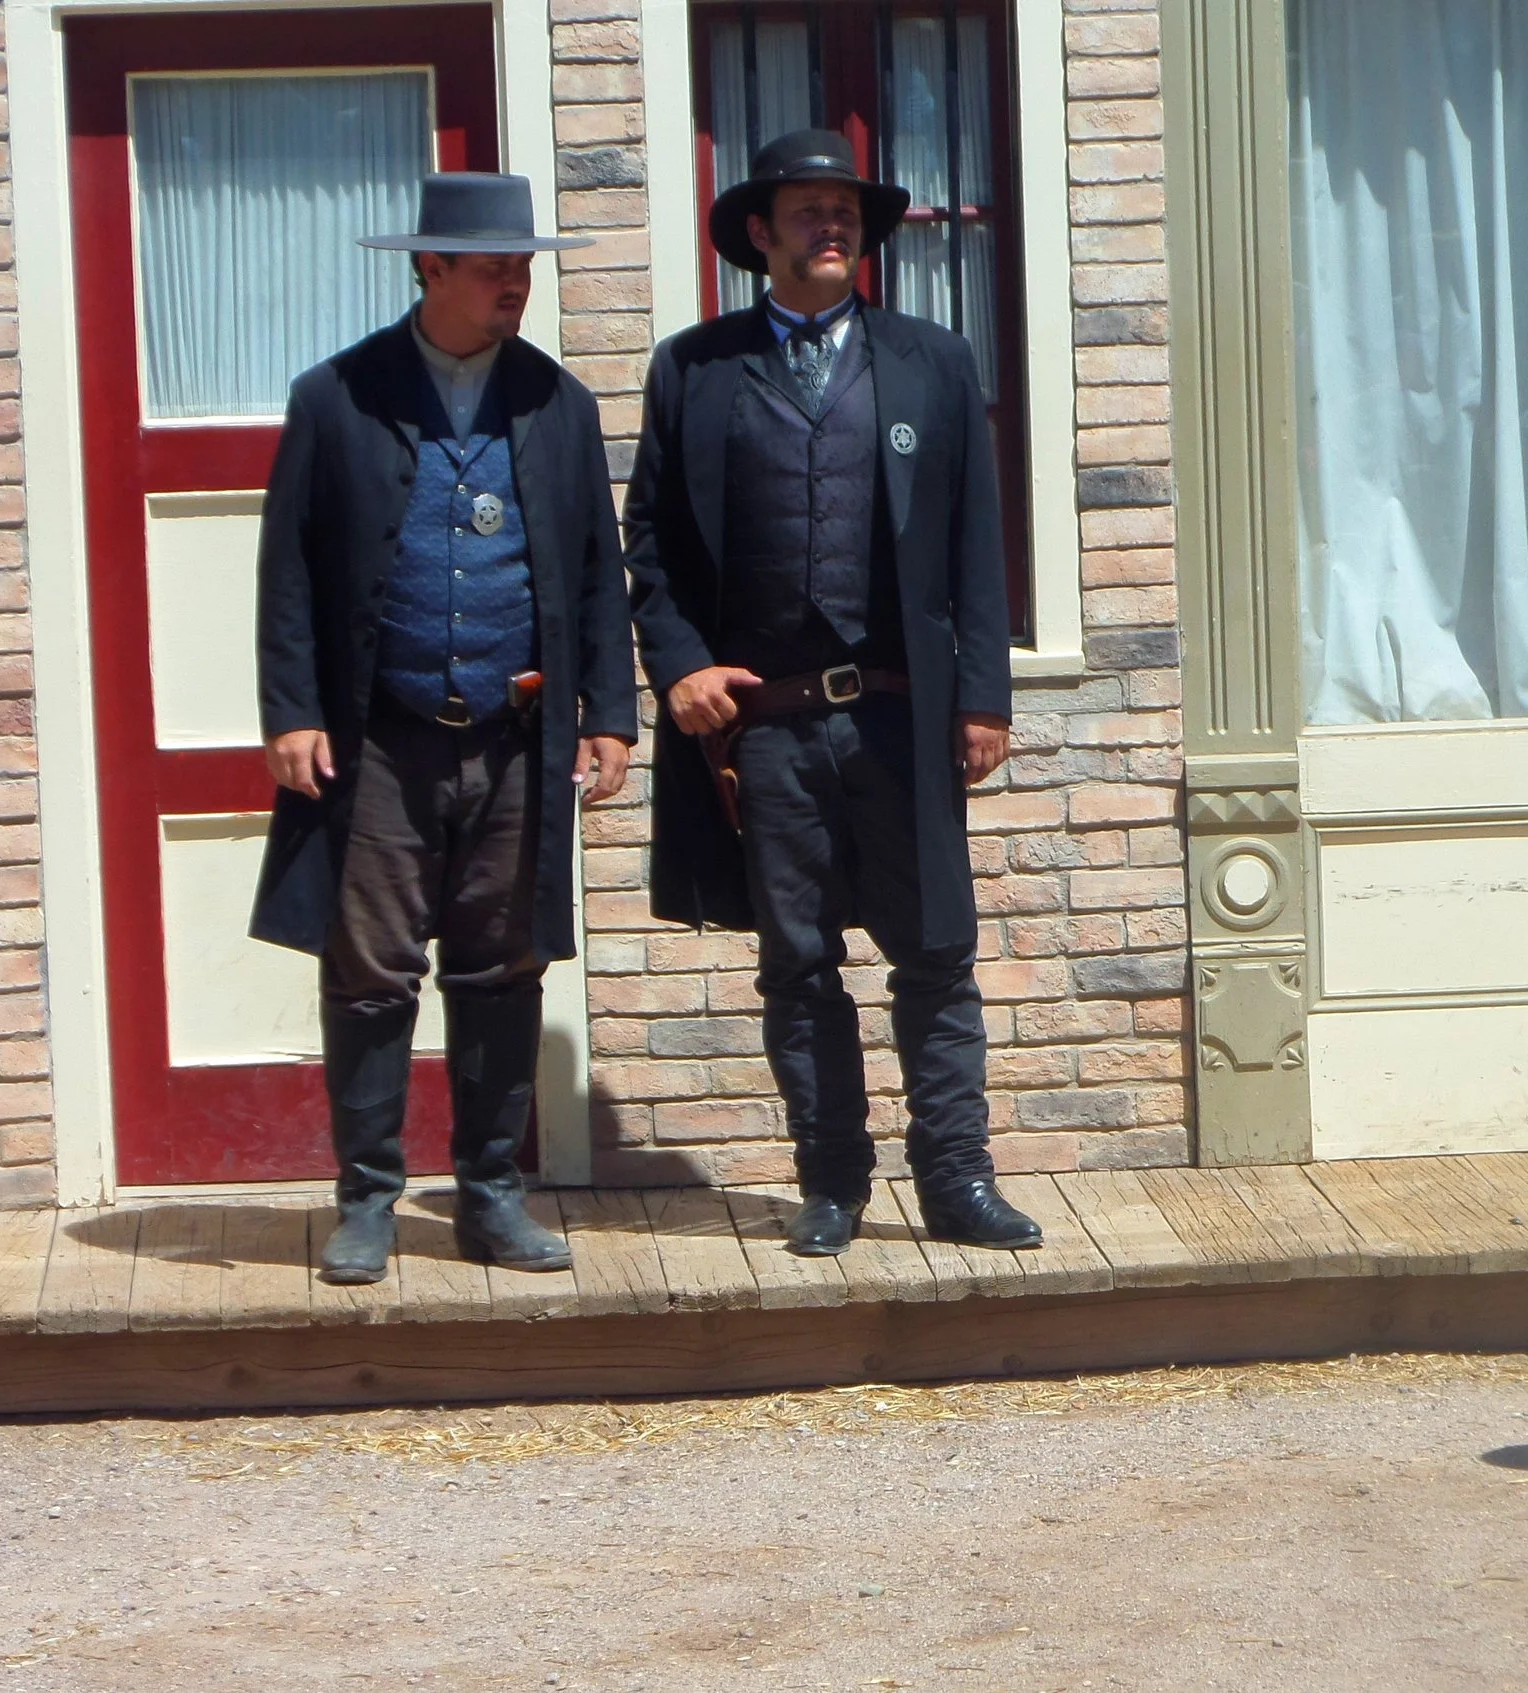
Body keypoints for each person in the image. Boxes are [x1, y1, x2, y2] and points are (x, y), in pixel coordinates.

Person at [623, 129, 1040, 1257]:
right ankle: (831, 1184)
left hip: (900, 712)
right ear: (758, 234)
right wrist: (680, 665)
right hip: (767, 727)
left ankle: (956, 1181)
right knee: (798, 959)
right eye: (806, 210)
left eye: (845, 212)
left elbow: (973, 542)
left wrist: (985, 696)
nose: (830, 226)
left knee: (935, 952)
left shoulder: (932, 363)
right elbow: (649, 550)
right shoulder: (695, 370)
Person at [251, 174, 637, 1285]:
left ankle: (490, 1198)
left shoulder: (557, 405)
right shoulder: (337, 397)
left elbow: (594, 576)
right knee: (369, 968)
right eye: (489, 265)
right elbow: (288, 572)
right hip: (378, 738)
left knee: (502, 967)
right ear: (428, 269)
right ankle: (367, 1198)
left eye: (522, 265)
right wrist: (291, 712)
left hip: (514, 740)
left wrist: (608, 714)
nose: (513, 282)